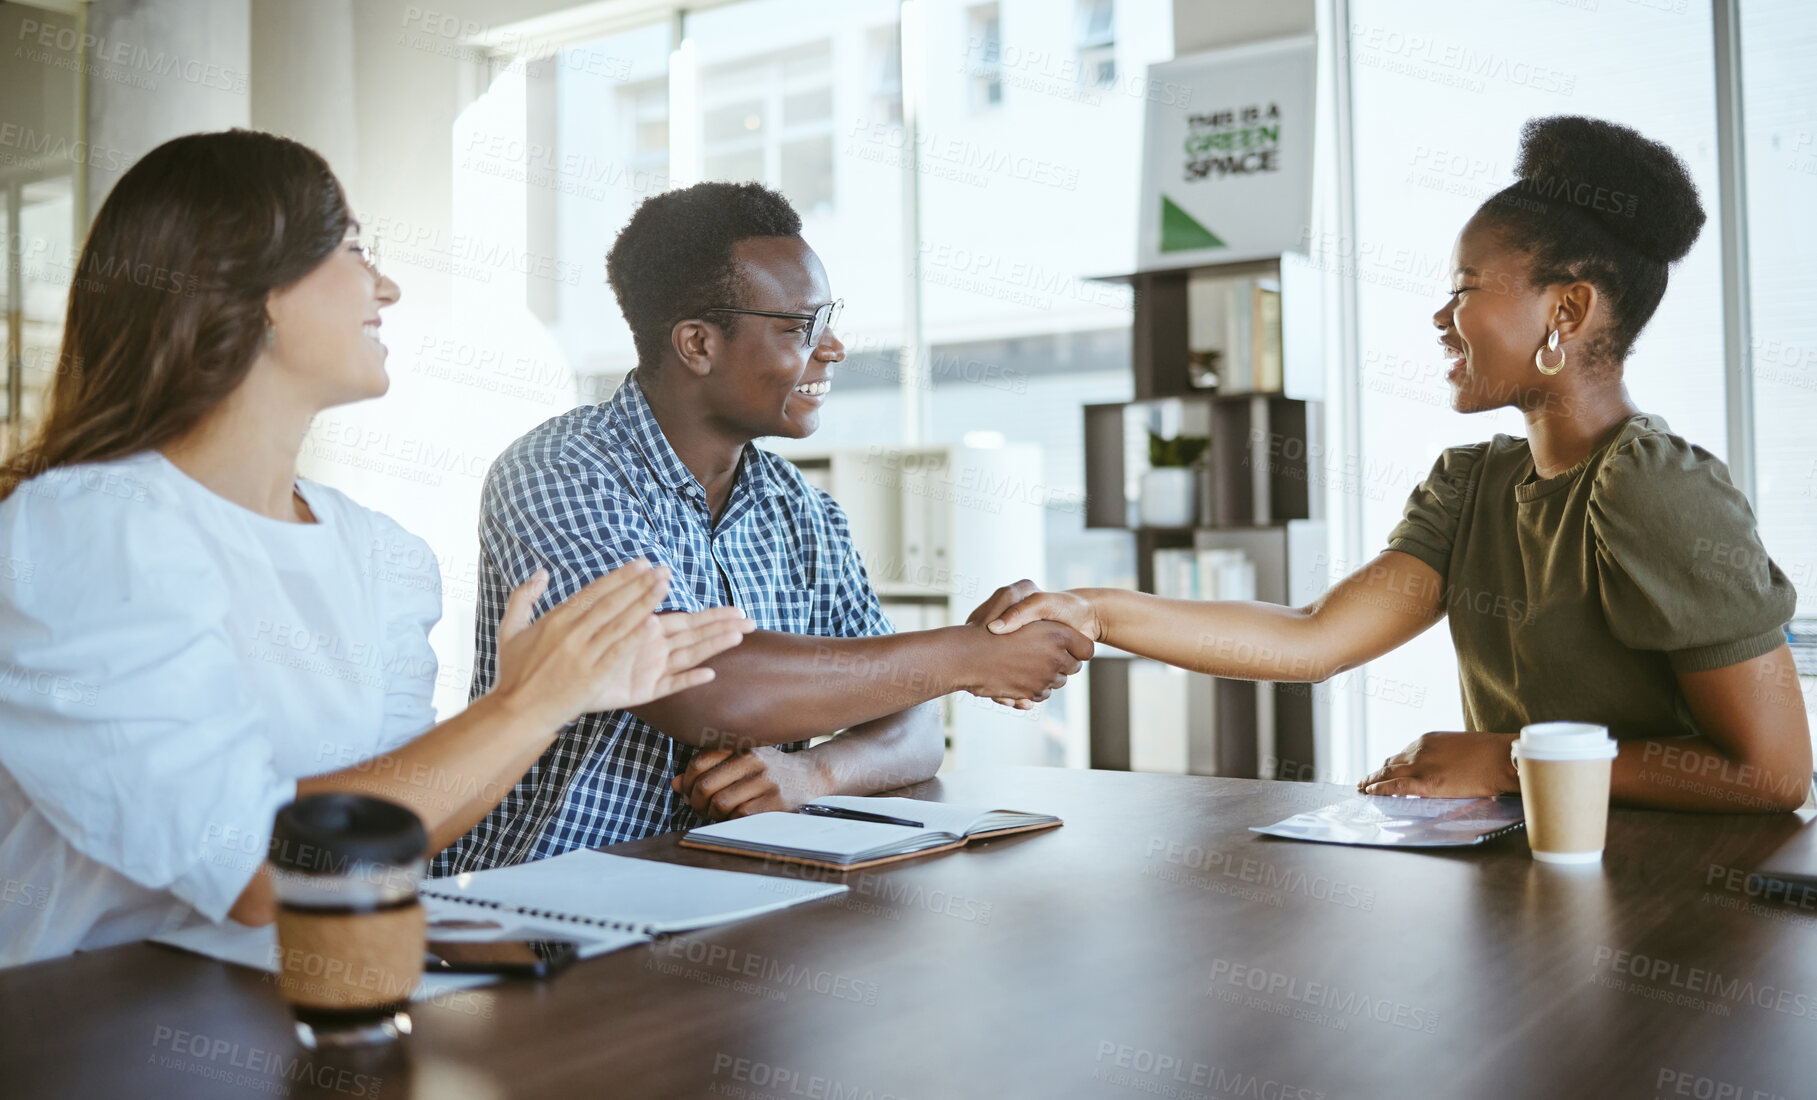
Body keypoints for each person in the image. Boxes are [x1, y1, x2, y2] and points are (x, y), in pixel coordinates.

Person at [0, 130, 752, 968]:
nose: (385, 286)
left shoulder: (378, 552)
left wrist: (552, 703)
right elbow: (253, 865)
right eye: (354, 249)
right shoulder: (86, 528)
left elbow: (400, 833)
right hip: (90, 1041)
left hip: (310, 1012)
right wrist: (524, 707)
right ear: (248, 286)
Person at [970, 115, 1810, 813]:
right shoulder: (1472, 485)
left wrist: (1507, 759)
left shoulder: (1654, 485)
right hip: (1536, 887)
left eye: (1467, 287)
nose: (1442, 319)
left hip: (1677, 905)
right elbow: (1311, 639)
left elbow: (1773, 774)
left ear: (1567, 307)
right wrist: (1094, 609)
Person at [433, 181, 1093, 874]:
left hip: (741, 898)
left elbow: (914, 720)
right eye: (797, 328)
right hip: (543, 909)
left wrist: (816, 776)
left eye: (827, 320)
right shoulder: (561, 470)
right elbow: (697, 691)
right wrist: (967, 655)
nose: (832, 348)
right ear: (697, 344)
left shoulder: (800, 507)